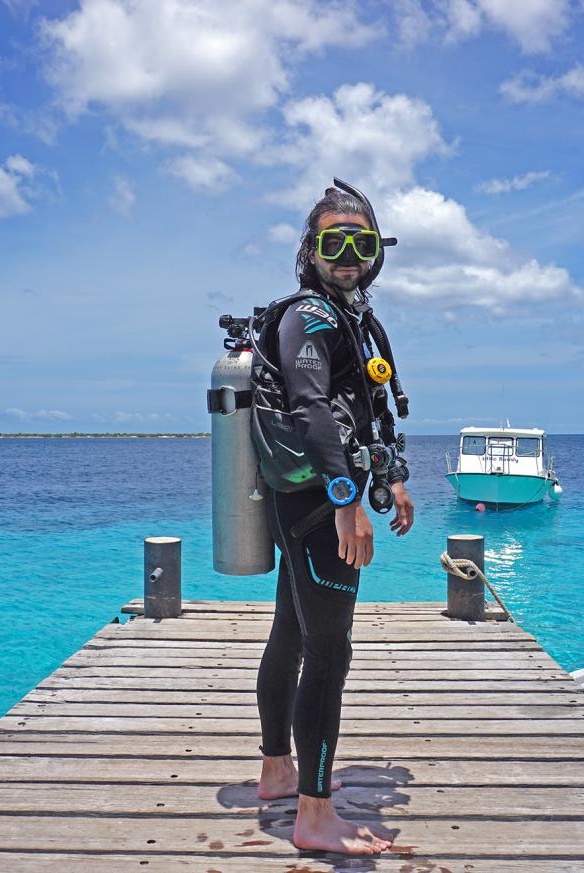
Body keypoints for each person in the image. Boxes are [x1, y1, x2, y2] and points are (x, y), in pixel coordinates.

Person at [251, 183, 414, 856]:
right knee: (329, 653)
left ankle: (277, 771)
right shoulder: (311, 316)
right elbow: (313, 409)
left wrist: (393, 476)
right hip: (320, 504)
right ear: (309, 250)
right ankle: (315, 815)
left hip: (310, 499)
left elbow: (365, 407)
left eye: (361, 243)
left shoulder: (347, 315)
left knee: (292, 631)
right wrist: (349, 500)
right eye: (333, 242)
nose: (348, 256)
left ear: (377, 252)